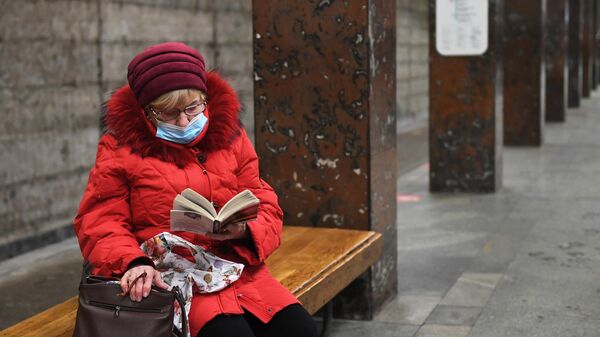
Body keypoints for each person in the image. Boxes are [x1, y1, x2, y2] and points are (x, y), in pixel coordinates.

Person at [74, 42, 318, 337]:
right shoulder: (119, 149)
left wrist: (245, 231)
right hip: (167, 278)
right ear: (146, 111)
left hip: (237, 271)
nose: (184, 120)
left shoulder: (230, 137)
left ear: (206, 99)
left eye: (192, 107)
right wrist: (133, 262)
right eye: (168, 113)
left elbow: (264, 200)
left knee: (301, 330)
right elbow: (101, 220)